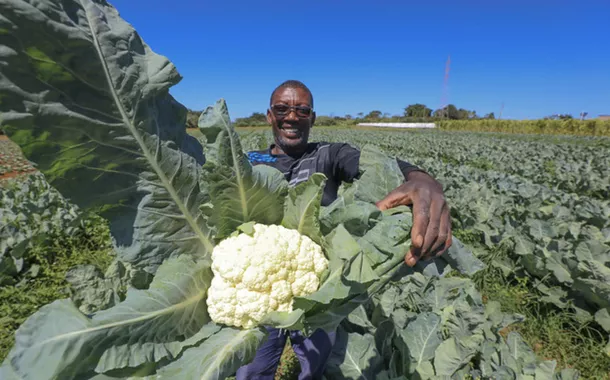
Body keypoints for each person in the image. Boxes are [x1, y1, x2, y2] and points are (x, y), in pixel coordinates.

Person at [235, 80, 452, 380]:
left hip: (320, 286)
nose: (292, 116)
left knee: (314, 367)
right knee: (253, 369)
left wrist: (423, 181)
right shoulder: (248, 162)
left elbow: (380, 165)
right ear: (270, 116)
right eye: (283, 109)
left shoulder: (329, 155)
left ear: (312, 118)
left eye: (302, 110)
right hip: (259, 287)